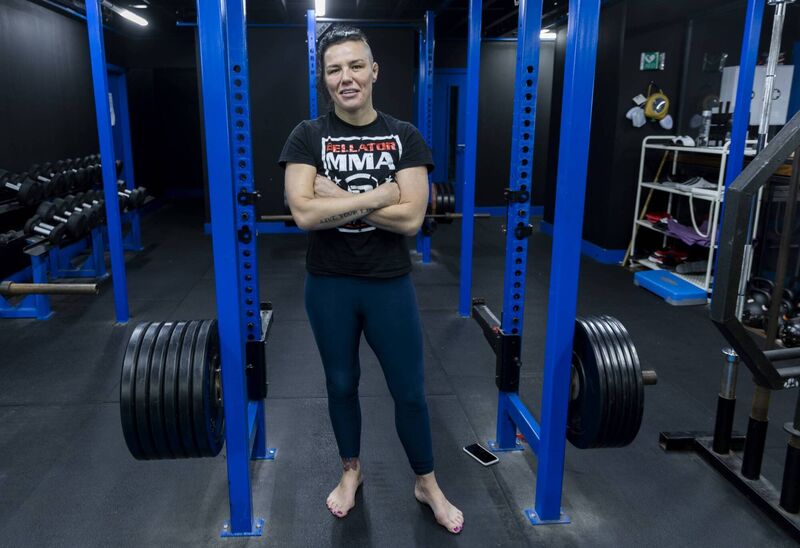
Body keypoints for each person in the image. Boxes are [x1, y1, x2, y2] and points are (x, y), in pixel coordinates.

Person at [279, 25, 464, 534]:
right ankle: (350, 472)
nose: (346, 78)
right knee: (341, 384)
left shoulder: (405, 135)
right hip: (329, 284)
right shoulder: (306, 135)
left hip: (388, 283)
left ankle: (426, 482)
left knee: (409, 392)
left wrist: (333, 197)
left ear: (374, 70)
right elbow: (303, 215)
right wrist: (379, 195)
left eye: (355, 66)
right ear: (324, 78)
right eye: (334, 69)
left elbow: (411, 221)